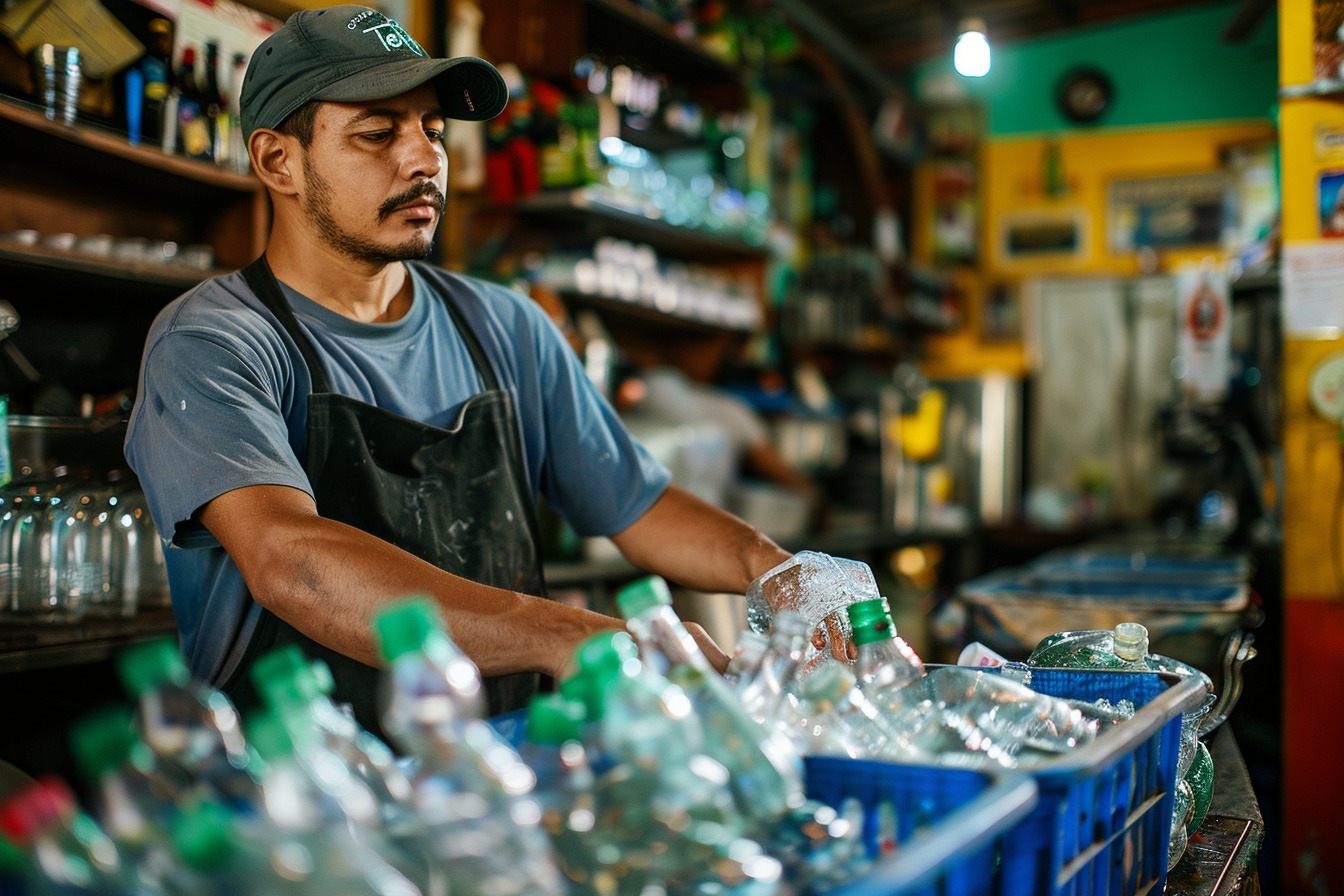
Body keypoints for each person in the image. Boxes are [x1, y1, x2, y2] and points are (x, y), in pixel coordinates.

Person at [124, 6, 795, 735]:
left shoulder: (504, 327)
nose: (423, 160)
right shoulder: (214, 342)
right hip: (300, 798)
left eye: (433, 132)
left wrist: (782, 572)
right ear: (278, 160)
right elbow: (295, 563)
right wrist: (567, 634)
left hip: (498, 769)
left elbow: (637, 507)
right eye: (377, 133)